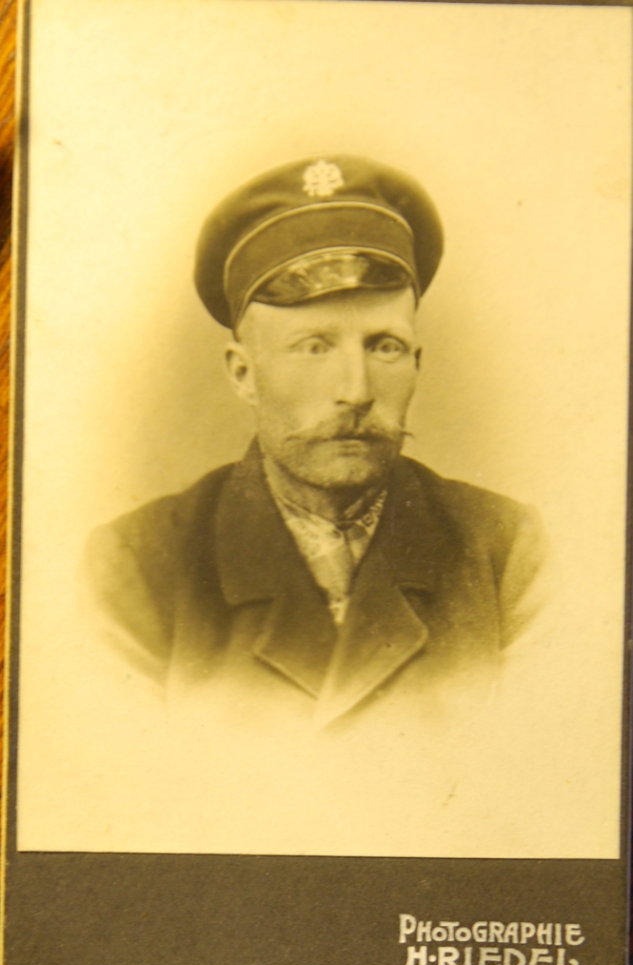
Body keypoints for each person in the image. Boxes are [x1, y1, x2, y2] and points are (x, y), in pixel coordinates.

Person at [86, 155, 546, 729]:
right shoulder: (138, 570)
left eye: (384, 347)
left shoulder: (507, 554)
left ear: (417, 362)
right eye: (313, 348)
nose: (356, 392)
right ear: (243, 375)